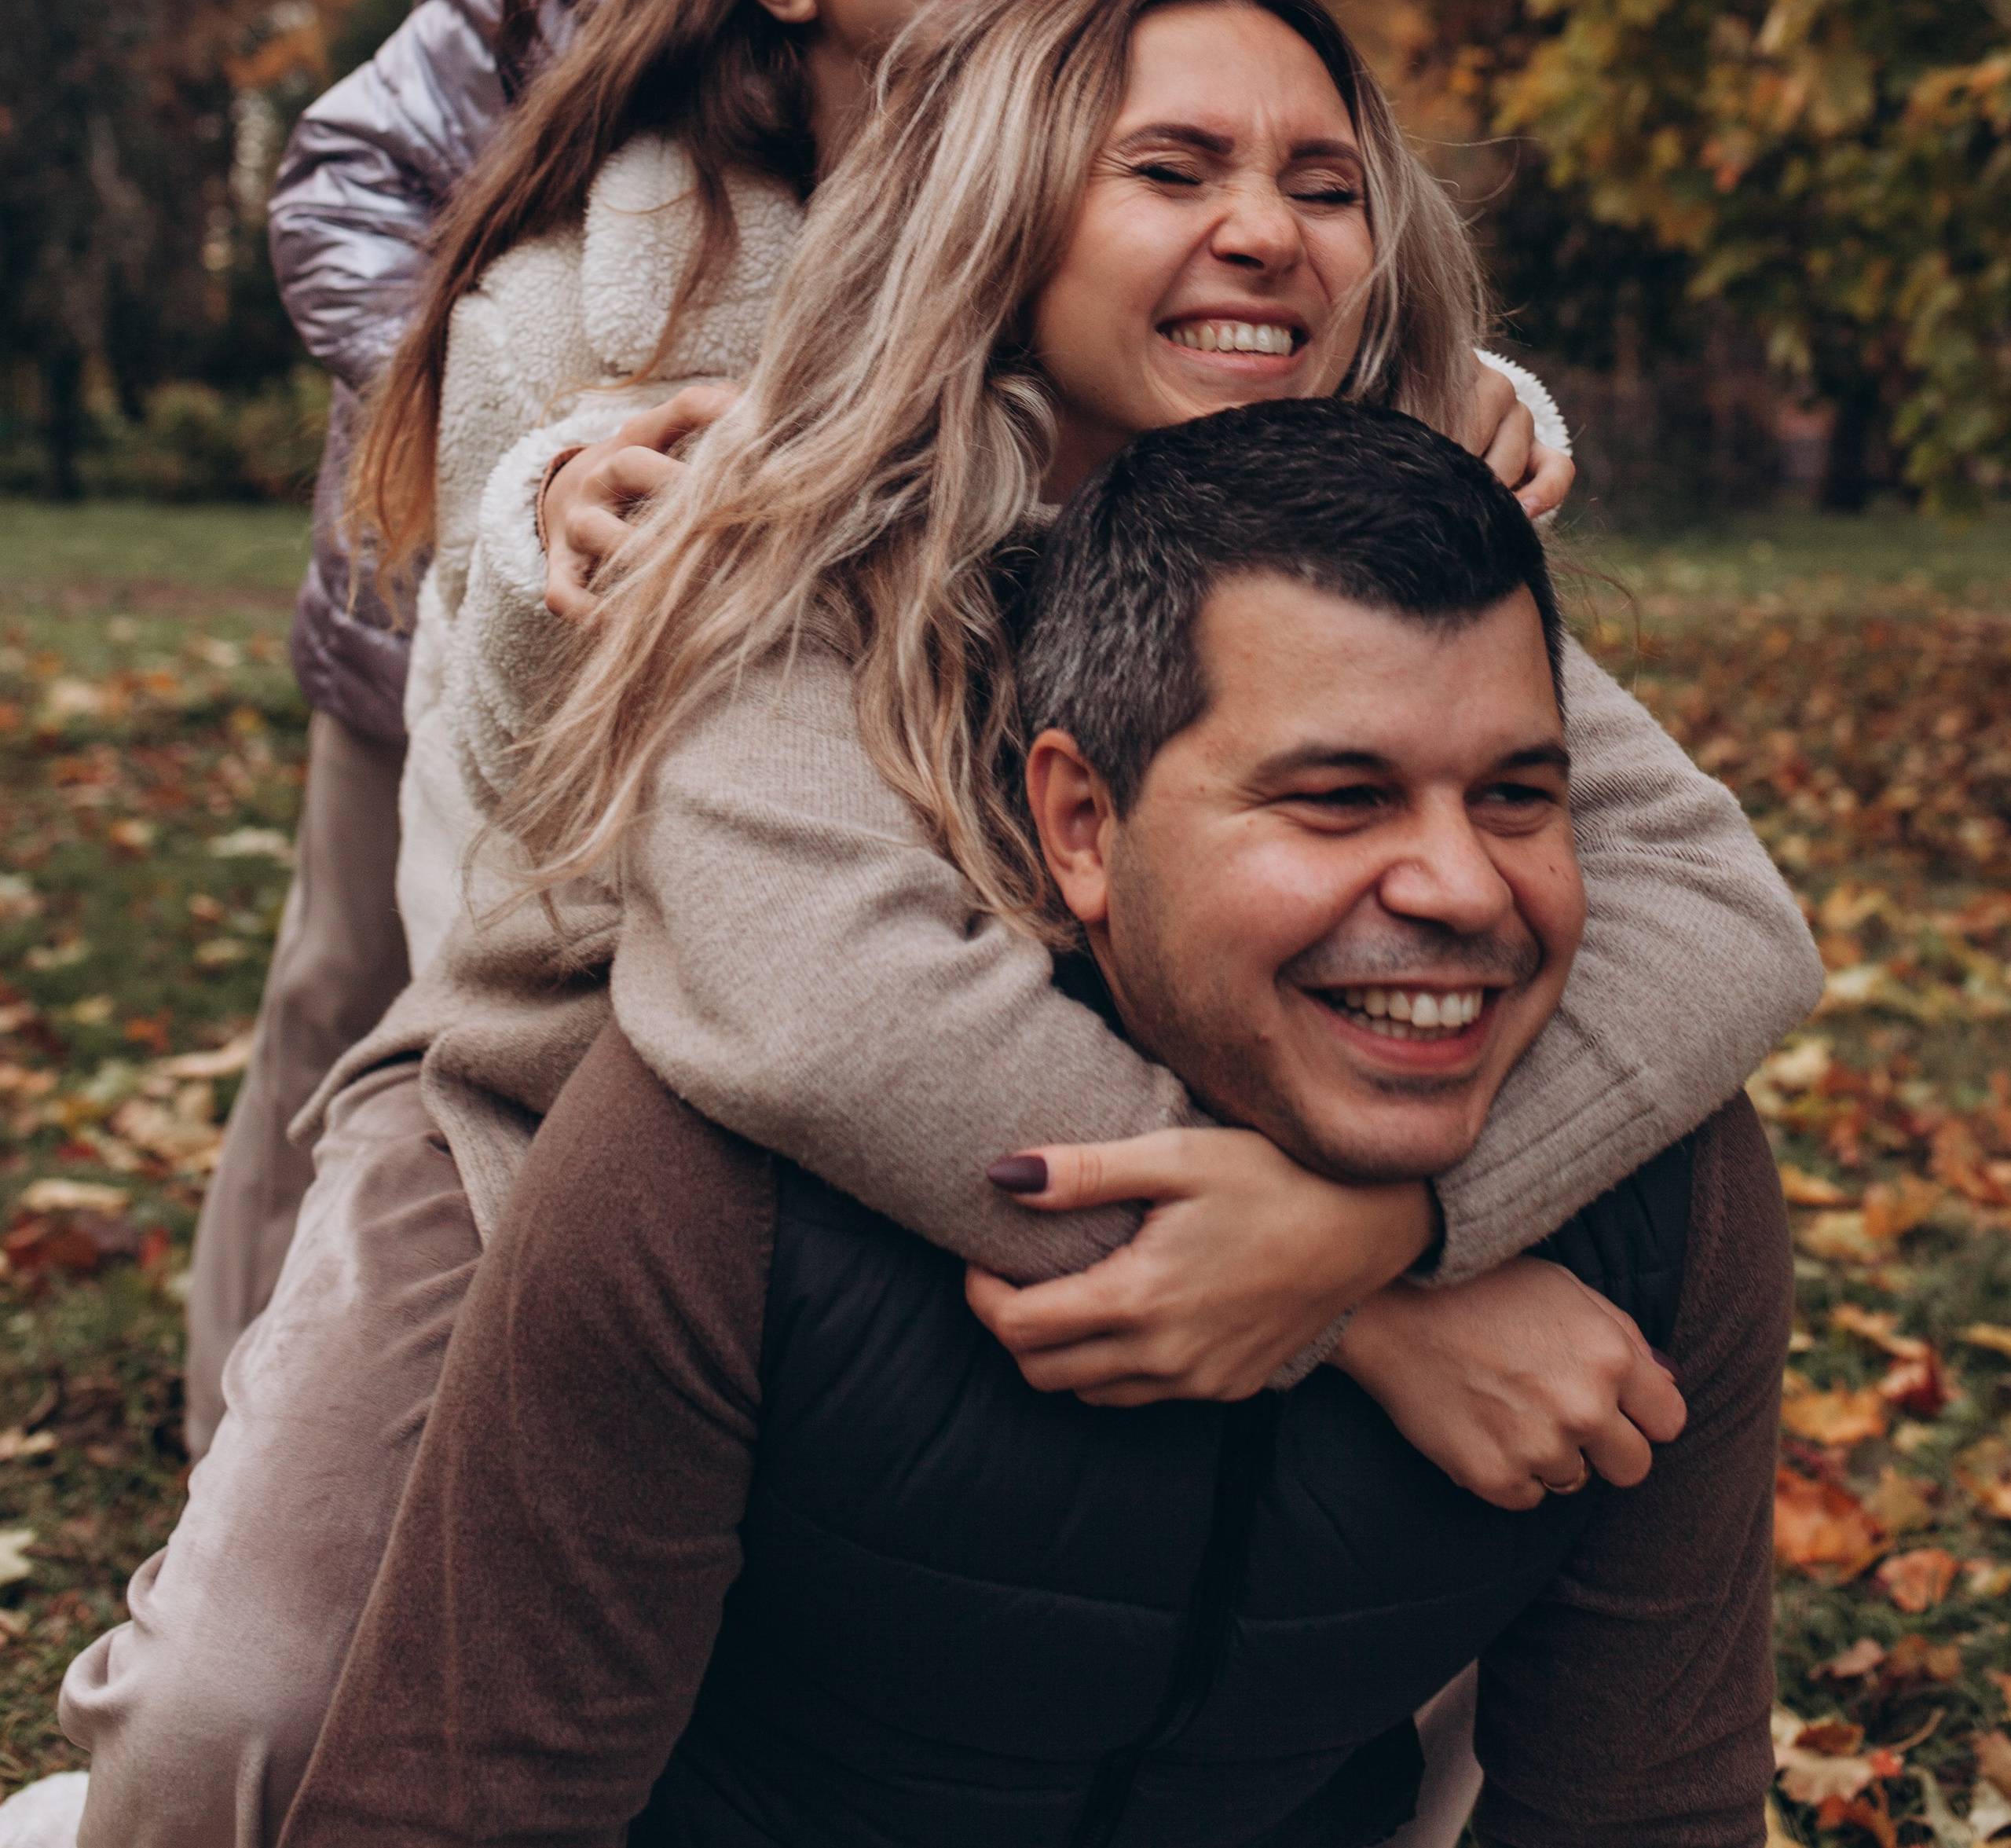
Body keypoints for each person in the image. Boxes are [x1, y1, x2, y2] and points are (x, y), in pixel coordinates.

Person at [57, 0, 1805, 1845]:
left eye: (1326, 183)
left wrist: (1392, 1217)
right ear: (1006, 206)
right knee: (245, 1712)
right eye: (1172, 167)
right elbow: (819, 1010)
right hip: (576, 1144)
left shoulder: (1374, 543)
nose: (1265, 227)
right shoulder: (798, 510)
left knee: (1468, 1522)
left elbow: (1717, 913)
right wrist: (1360, 1294)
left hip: (1066, 1182)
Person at [280, 398, 1793, 1848]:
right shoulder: (718, 1177)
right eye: (1339, 798)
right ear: (1082, 822)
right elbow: (466, 1812)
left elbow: (1643, 1813)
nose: (1462, 889)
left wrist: (1391, 1249)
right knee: (227, 1699)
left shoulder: (1664, 1196)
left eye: (1521, 797)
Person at [184, 0, 804, 1456]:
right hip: (412, 599)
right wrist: (481, 416)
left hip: (661, 611)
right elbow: (340, 183)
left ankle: (473, 1411)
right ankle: (237, 1407)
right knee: (338, 990)